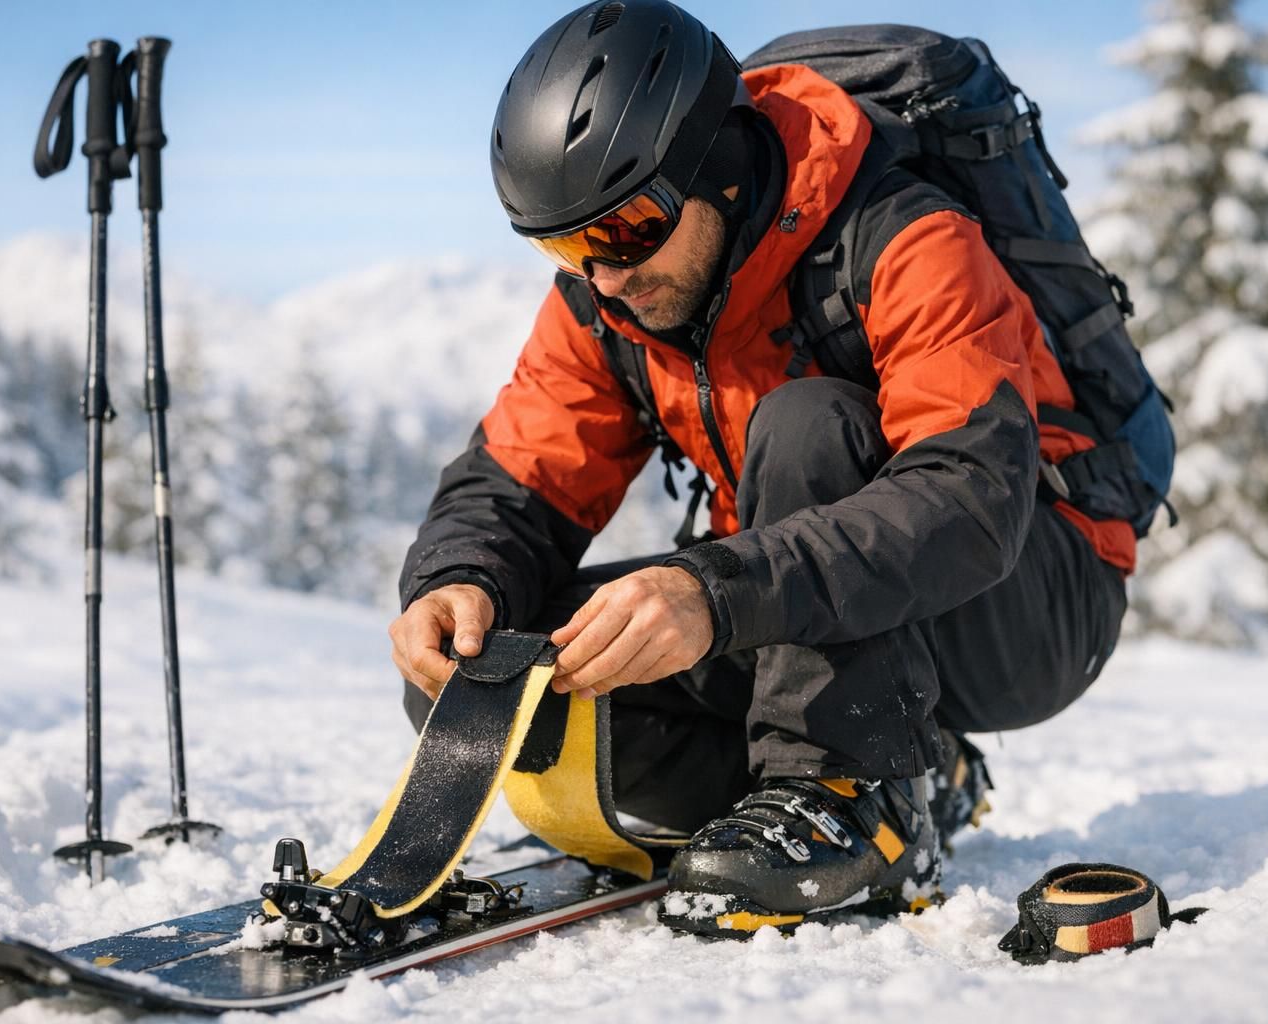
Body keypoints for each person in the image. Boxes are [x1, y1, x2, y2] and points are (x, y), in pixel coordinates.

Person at [388, 0, 1132, 937]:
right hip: (824, 612)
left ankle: (847, 793)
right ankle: (910, 768)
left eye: (623, 232)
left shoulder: (904, 237)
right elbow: (523, 473)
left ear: (719, 169)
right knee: (499, 669)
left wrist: (715, 591)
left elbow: (968, 497)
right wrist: (460, 580)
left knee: (807, 421)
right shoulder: (610, 298)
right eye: (565, 247)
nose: (603, 276)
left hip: (1033, 597)